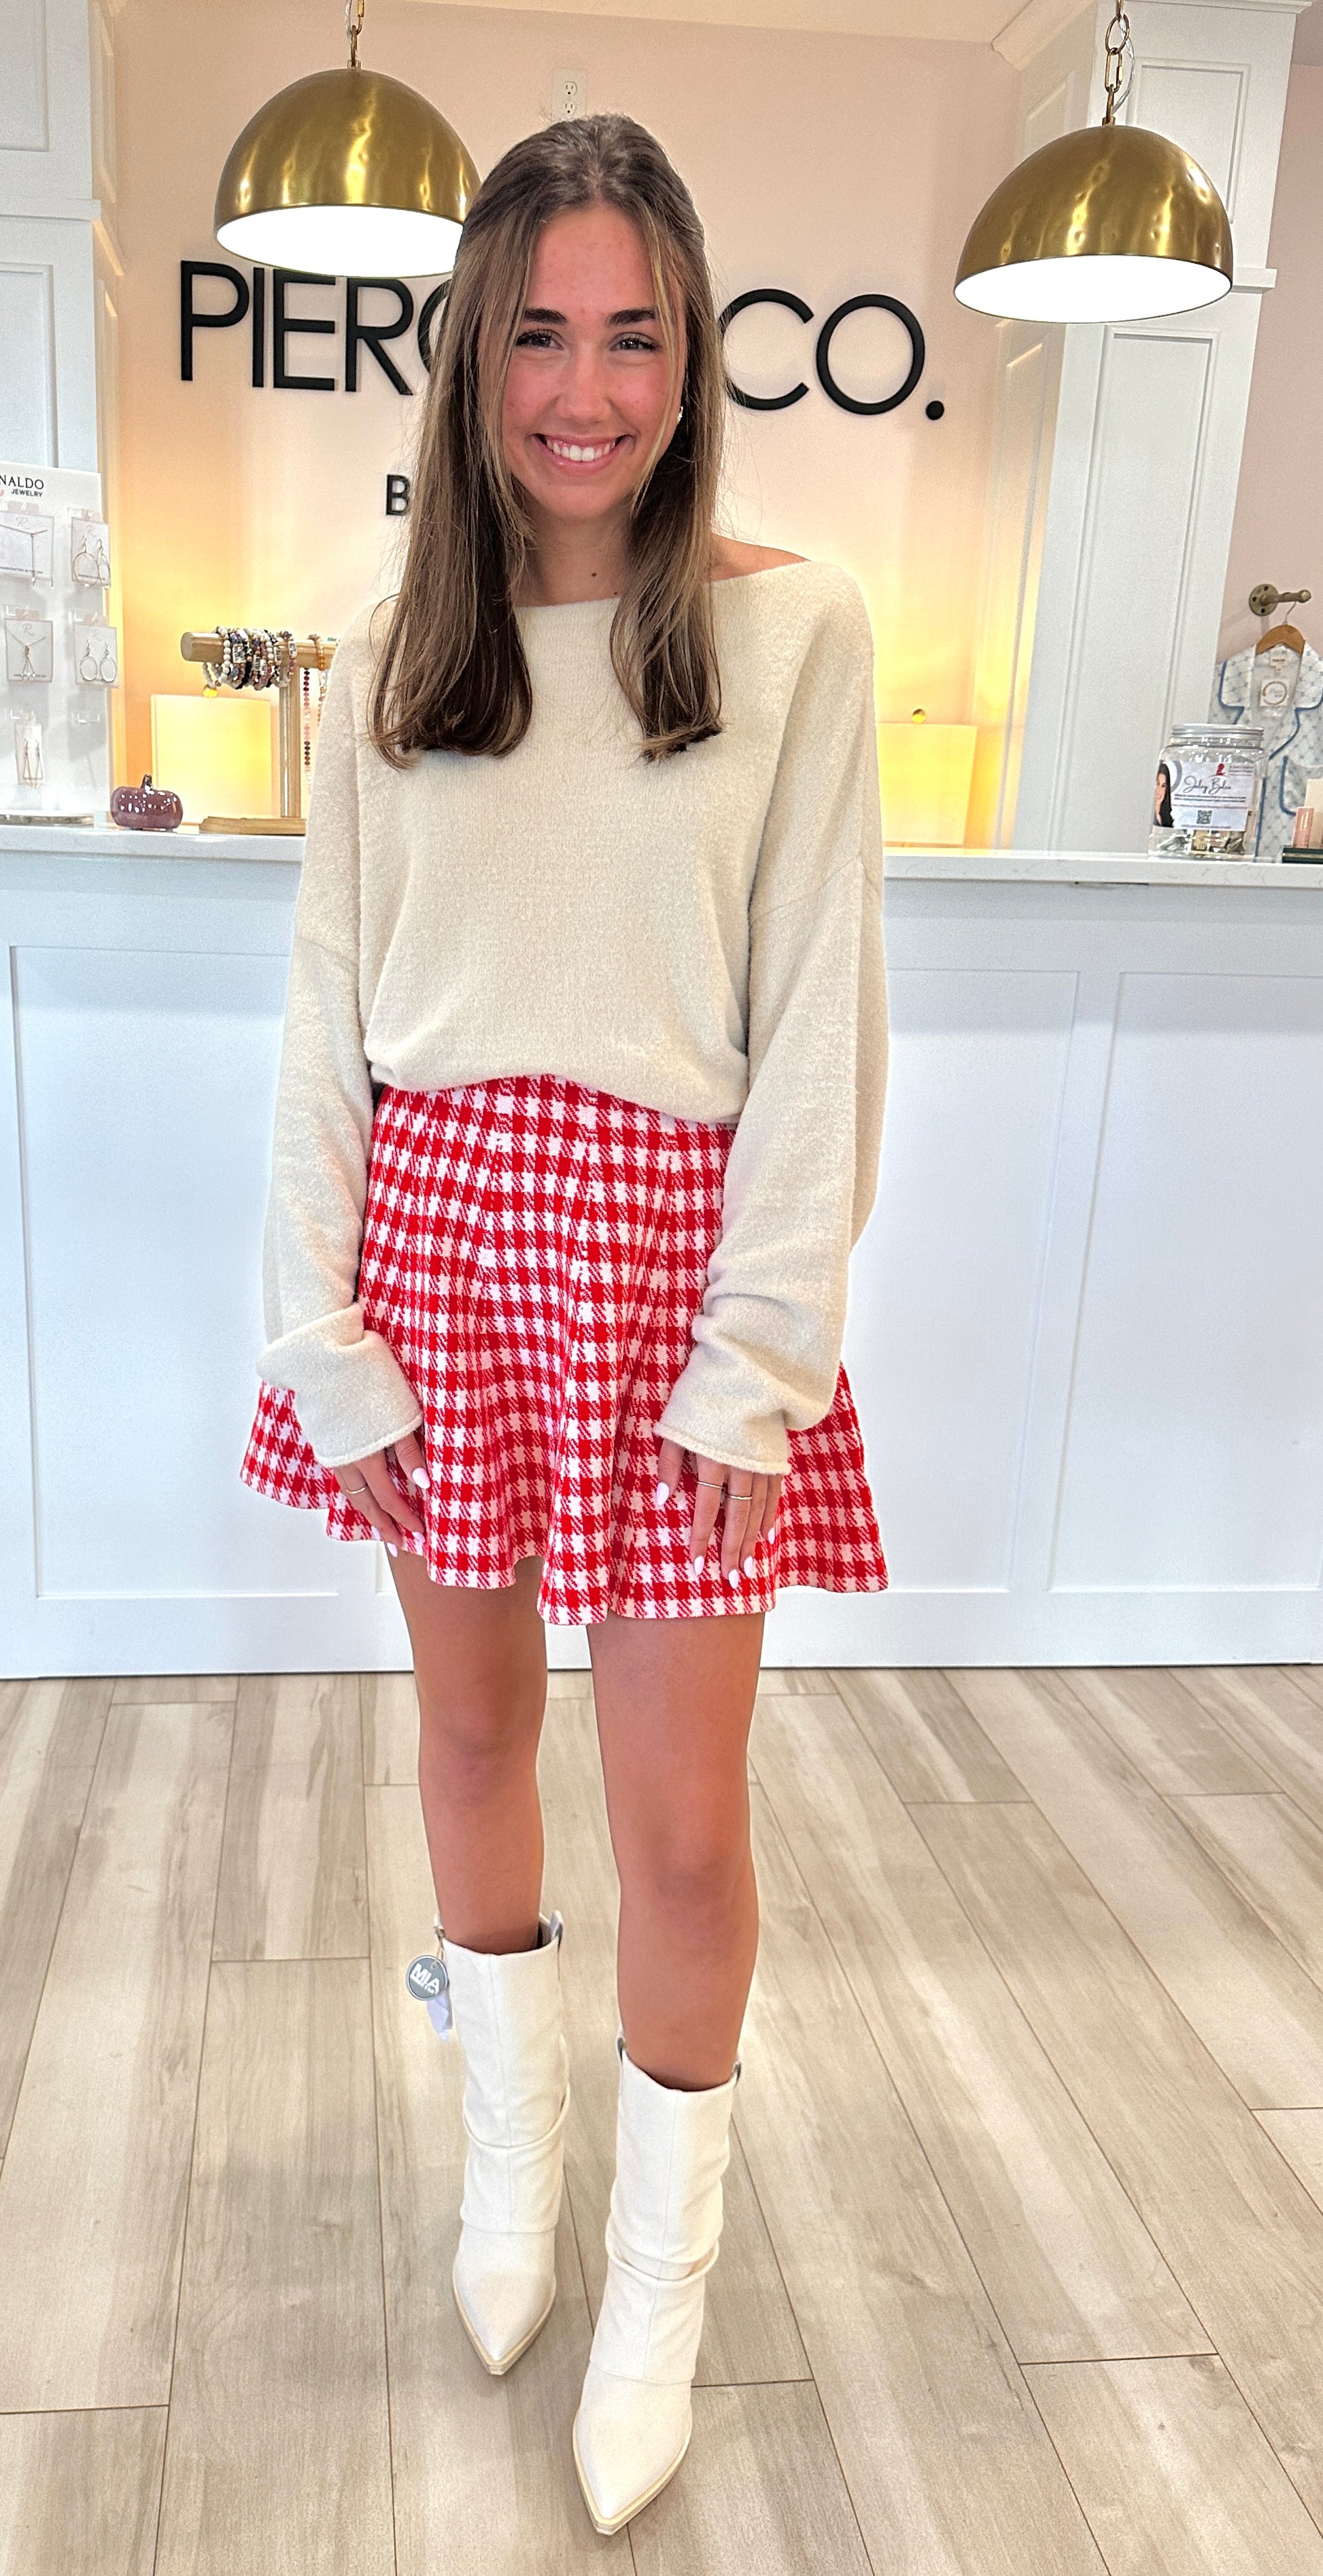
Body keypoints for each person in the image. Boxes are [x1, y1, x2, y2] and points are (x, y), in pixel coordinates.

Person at [241, 109, 888, 2535]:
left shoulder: (792, 637)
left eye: (633, 335)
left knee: (685, 1826)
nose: (585, 390)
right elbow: (326, 1016)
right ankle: (510, 2177)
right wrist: (320, 1331)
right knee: (468, 1737)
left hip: (672, 1276)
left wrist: (760, 1355)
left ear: (692, 356)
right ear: (470, 356)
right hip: (438, 1255)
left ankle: (653, 2285)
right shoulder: (389, 658)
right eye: (537, 332)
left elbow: (819, 1020)